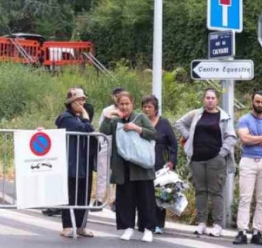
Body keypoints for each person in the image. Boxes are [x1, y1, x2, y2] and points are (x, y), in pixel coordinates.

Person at [175, 88, 236, 238]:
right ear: (204, 99)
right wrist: (188, 136)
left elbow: (231, 137)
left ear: (217, 100)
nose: (210, 100)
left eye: (213, 98)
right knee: (200, 191)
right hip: (197, 159)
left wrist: (222, 153)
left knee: (216, 192)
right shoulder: (196, 114)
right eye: (207, 97)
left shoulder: (224, 117)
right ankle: (201, 223)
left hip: (215, 159)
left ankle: (217, 225)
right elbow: (179, 123)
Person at [100, 90, 157, 243]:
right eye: (121, 104)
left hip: (141, 168)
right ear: (117, 105)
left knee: (145, 199)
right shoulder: (115, 121)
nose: (124, 107)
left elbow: (153, 134)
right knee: (125, 199)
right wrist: (107, 117)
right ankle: (128, 228)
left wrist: (136, 129)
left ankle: (148, 229)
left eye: (127, 104)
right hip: (122, 167)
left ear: (132, 104)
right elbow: (103, 132)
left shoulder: (141, 117)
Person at [234, 91, 262, 245]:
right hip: (248, 161)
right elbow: (244, 139)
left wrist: (254, 138)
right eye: (257, 102)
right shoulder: (244, 120)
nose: (260, 105)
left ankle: (257, 232)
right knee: (245, 198)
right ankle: (242, 231)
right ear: (252, 102)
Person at [56, 88, 96, 237]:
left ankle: (81, 225)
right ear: (70, 102)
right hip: (71, 161)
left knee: (84, 194)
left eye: (83, 100)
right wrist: (85, 115)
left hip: (84, 161)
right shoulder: (65, 118)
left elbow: (88, 129)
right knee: (70, 193)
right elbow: (86, 129)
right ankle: (67, 226)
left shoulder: (80, 117)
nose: (81, 103)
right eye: (78, 100)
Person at [140, 94, 177, 235]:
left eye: (149, 107)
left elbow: (173, 145)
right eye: (144, 107)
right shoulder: (139, 122)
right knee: (143, 195)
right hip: (143, 164)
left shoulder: (164, 123)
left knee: (159, 196)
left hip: (160, 165)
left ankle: (158, 224)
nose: (146, 109)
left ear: (156, 109)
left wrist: (172, 162)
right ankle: (143, 223)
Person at [94, 87, 126, 207]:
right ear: (112, 96)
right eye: (115, 95)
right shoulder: (106, 111)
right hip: (107, 144)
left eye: (120, 95)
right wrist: (102, 143)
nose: (117, 97)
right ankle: (99, 198)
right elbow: (101, 127)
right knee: (103, 172)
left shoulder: (126, 110)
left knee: (117, 172)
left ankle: (115, 200)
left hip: (121, 146)